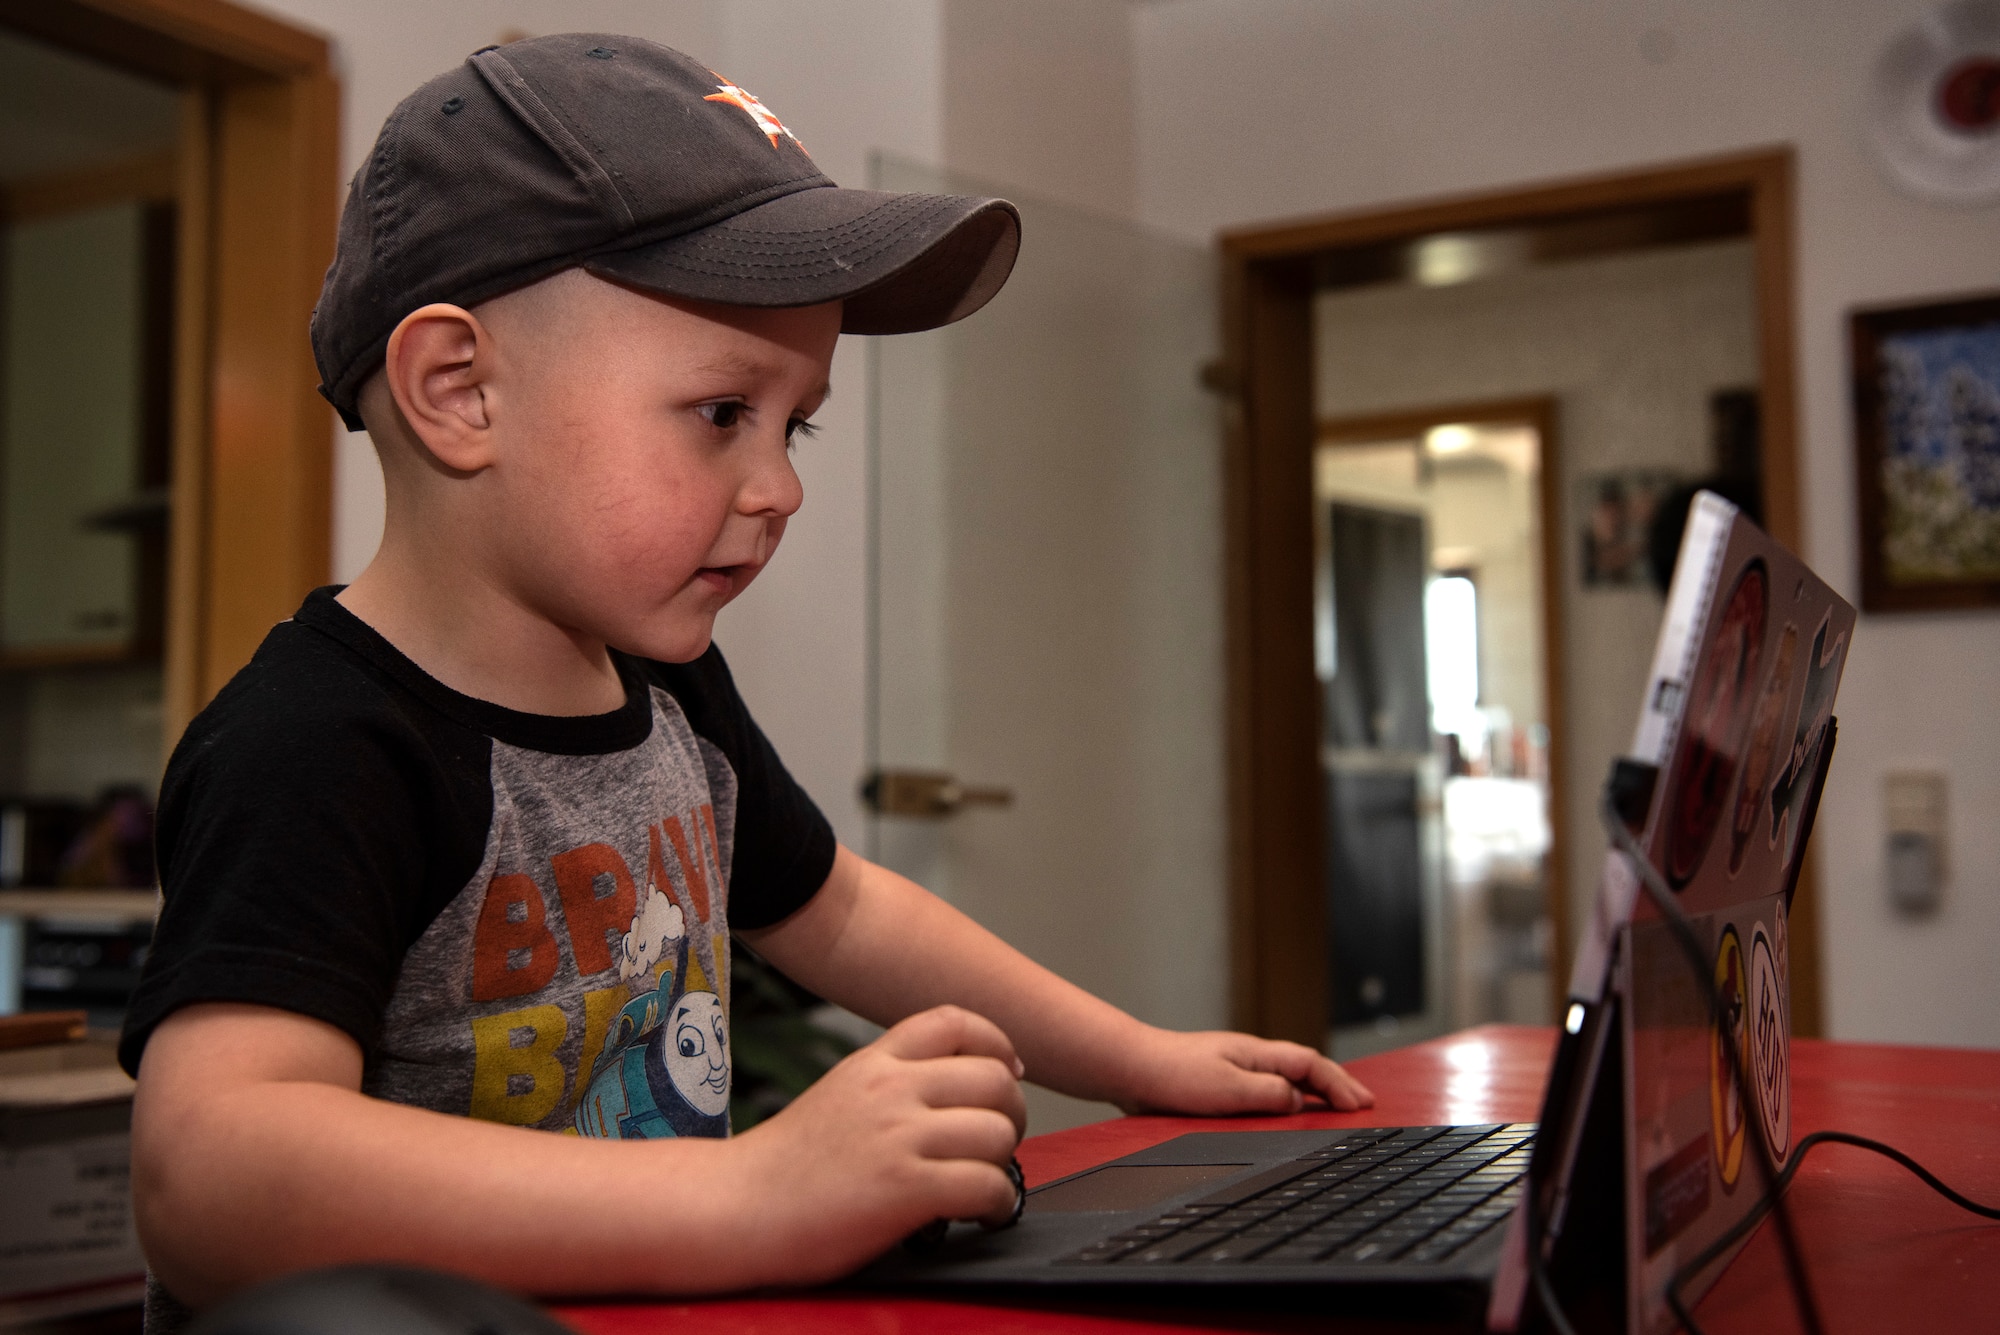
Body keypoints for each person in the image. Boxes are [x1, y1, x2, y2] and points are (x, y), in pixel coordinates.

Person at [120, 34, 1373, 1323]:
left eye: (797, 423)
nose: (780, 488)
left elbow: (837, 912)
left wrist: (1139, 1061)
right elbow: (208, 1182)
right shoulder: (316, 743)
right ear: (459, 389)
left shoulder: (663, 691)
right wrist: (754, 1195)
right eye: (723, 413)